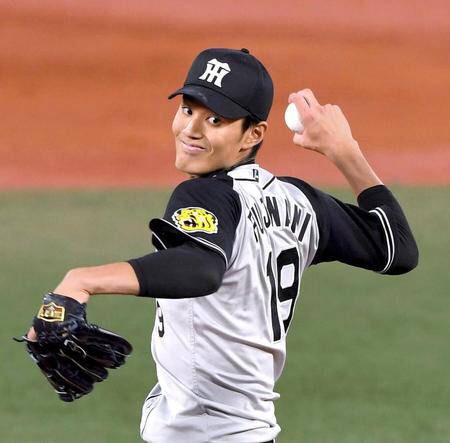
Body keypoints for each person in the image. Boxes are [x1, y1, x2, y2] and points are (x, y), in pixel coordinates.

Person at [27, 48, 418, 442]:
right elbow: (397, 248)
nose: (191, 129)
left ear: (254, 134)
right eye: (187, 110)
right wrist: (345, 151)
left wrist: (83, 280)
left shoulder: (206, 194)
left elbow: (201, 267)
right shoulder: (299, 201)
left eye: (216, 120)